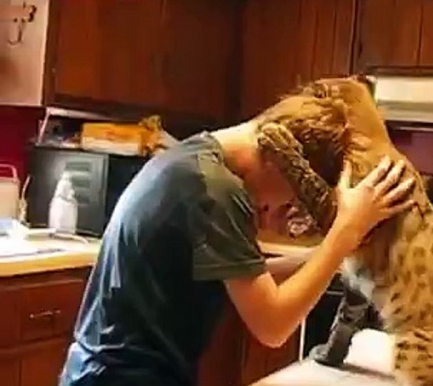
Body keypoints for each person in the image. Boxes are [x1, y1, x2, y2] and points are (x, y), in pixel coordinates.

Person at [57, 118, 415, 386]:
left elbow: (250, 278)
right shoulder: (215, 192)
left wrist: (331, 259)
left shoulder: (195, 159)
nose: (276, 213)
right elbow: (272, 325)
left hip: (106, 373)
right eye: (287, 200)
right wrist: (344, 232)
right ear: (279, 163)